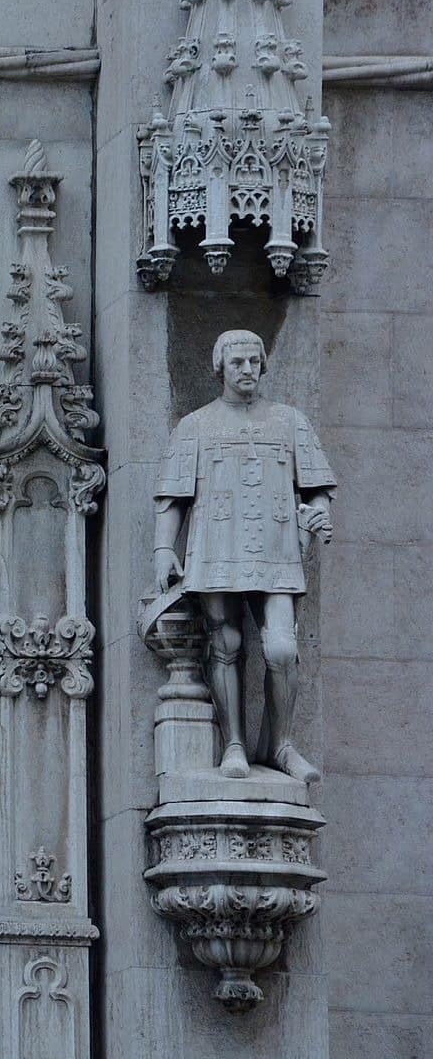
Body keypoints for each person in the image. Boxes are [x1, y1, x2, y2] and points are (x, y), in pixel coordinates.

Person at [154, 329, 334, 783]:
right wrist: (163, 549)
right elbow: (172, 497)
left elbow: (317, 490)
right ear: (221, 369)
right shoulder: (195, 425)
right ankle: (233, 742)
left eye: (254, 361)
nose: (248, 370)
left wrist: (316, 519)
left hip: (277, 548)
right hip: (216, 544)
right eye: (238, 363)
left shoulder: (290, 421)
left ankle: (280, 745)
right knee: (226, 642)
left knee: (281, 648)